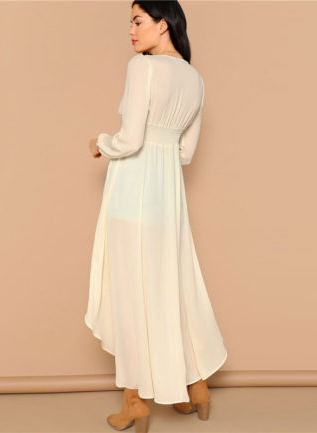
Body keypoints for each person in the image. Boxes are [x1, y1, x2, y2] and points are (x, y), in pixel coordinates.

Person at [85, 1, 228, 431]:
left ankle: (135, 402)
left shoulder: (142, 67)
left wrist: (100, 142)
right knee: (169, 285)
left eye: (137, 20)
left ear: (162, 24)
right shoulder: (195, 79)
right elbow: (185, 153)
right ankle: (195, 387)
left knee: (131, 289)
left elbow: (130, 140)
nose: (130, 31)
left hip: (132, 190)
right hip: (167, 197)